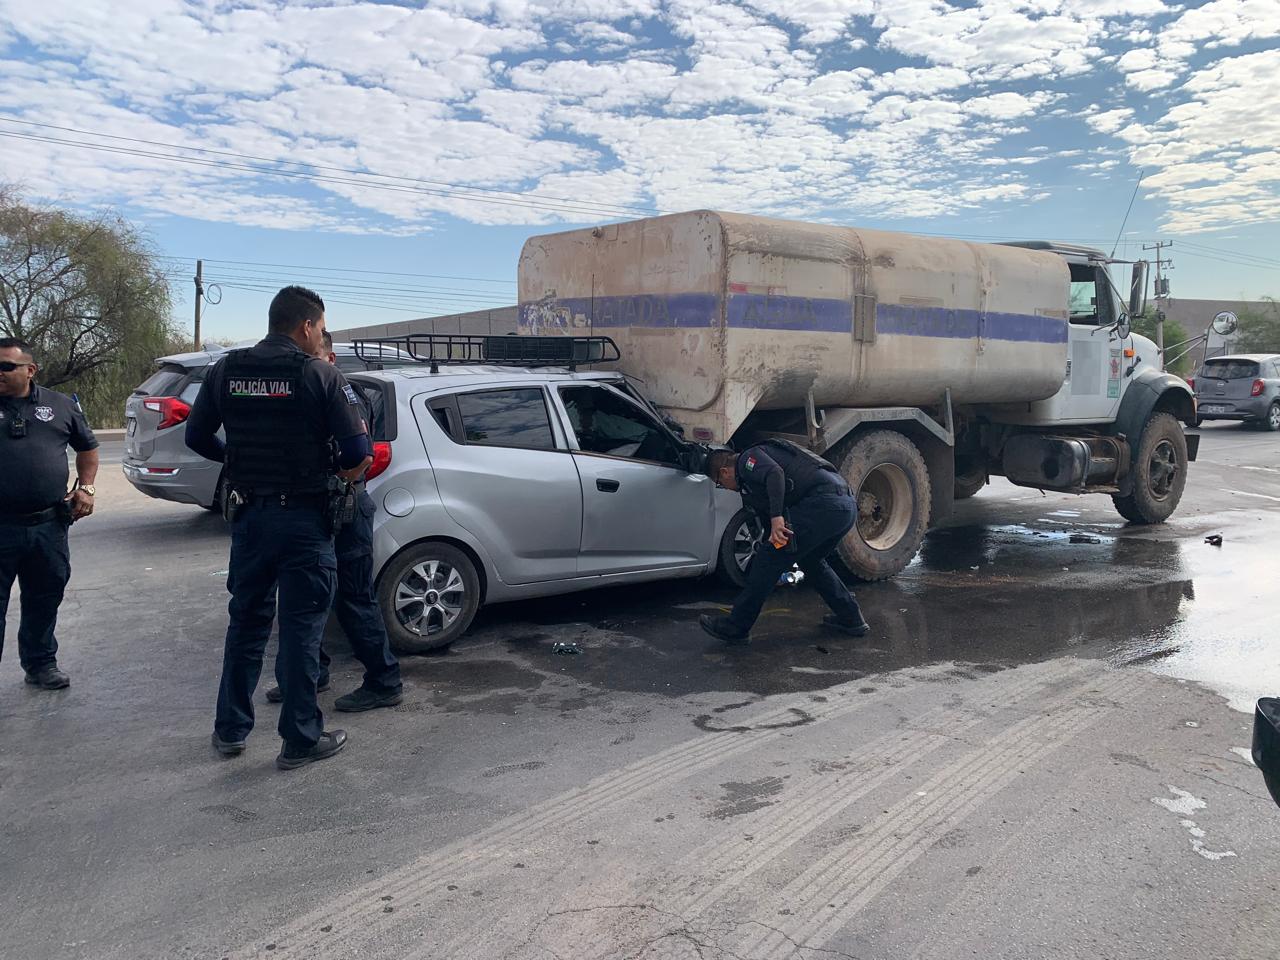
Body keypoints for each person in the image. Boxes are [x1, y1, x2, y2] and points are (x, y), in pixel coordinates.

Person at [185, 286, 372, 770]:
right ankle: (300, 740)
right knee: (301, 629)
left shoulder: (226, 369)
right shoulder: (319, 375)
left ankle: (230, 730)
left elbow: (196, 435)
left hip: (249, 518)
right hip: (304, 522)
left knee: (246, 623)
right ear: (306, 326)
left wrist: (238, 460)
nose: (322, 336)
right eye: (321, 327)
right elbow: (356, 454)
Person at [263, 330, 402, 711]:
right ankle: (313, 672)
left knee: (354, 598)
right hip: (312, 510)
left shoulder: (346, 394)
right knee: (305, 595)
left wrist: (330, 484)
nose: (309, 365)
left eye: (315, 358)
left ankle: (384, 680)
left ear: (330, 358)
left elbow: (358, 454)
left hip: (346, 508)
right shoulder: (303, 388)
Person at [701, 440, 870, 644]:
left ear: (725, 472)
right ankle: (851, 618)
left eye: (720, 484)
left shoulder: (748, 458)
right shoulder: (753, 479)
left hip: (823, 505)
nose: (726, 488)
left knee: (767, 558)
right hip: (844, 506)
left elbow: (775, 473)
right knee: (811, 561)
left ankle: (736, 627)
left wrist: (776, 517)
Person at [0, 337, 98, 689]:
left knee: (45, 597)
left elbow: (87, 448)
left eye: (6, 367)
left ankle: (40, 664)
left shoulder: (59, 406)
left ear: (30, 370)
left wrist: (85, 488)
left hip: (48, 524)